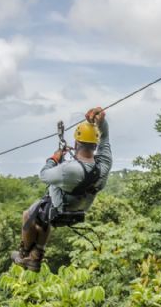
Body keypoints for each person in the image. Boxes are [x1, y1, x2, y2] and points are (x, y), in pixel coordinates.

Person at [11, 107, 112, 271]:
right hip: (81, 207)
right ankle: (36, 256)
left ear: (76, 143)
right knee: (43, 220)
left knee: (28, 215)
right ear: (95, 145)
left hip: (61, 206)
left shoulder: (69, 170)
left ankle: (23, 256)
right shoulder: (104, 165)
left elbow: (44, 175)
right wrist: (101, 123)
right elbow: (105, 138)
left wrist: (54, 158)